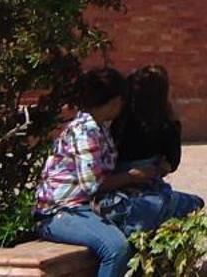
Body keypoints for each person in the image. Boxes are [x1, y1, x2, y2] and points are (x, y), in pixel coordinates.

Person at [34, 67, 149, 277]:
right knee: (116, 249)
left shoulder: (99, 127)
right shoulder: (84, 131)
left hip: (85, 207)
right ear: (115, 101)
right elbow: (92, 185)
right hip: (62, 211)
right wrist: (132, 176)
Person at [108, 64, 206, 231]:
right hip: (146, 189)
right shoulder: (164, 124)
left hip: (118, 189)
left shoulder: (119, 120)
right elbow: (171, 163)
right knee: (195, 203)